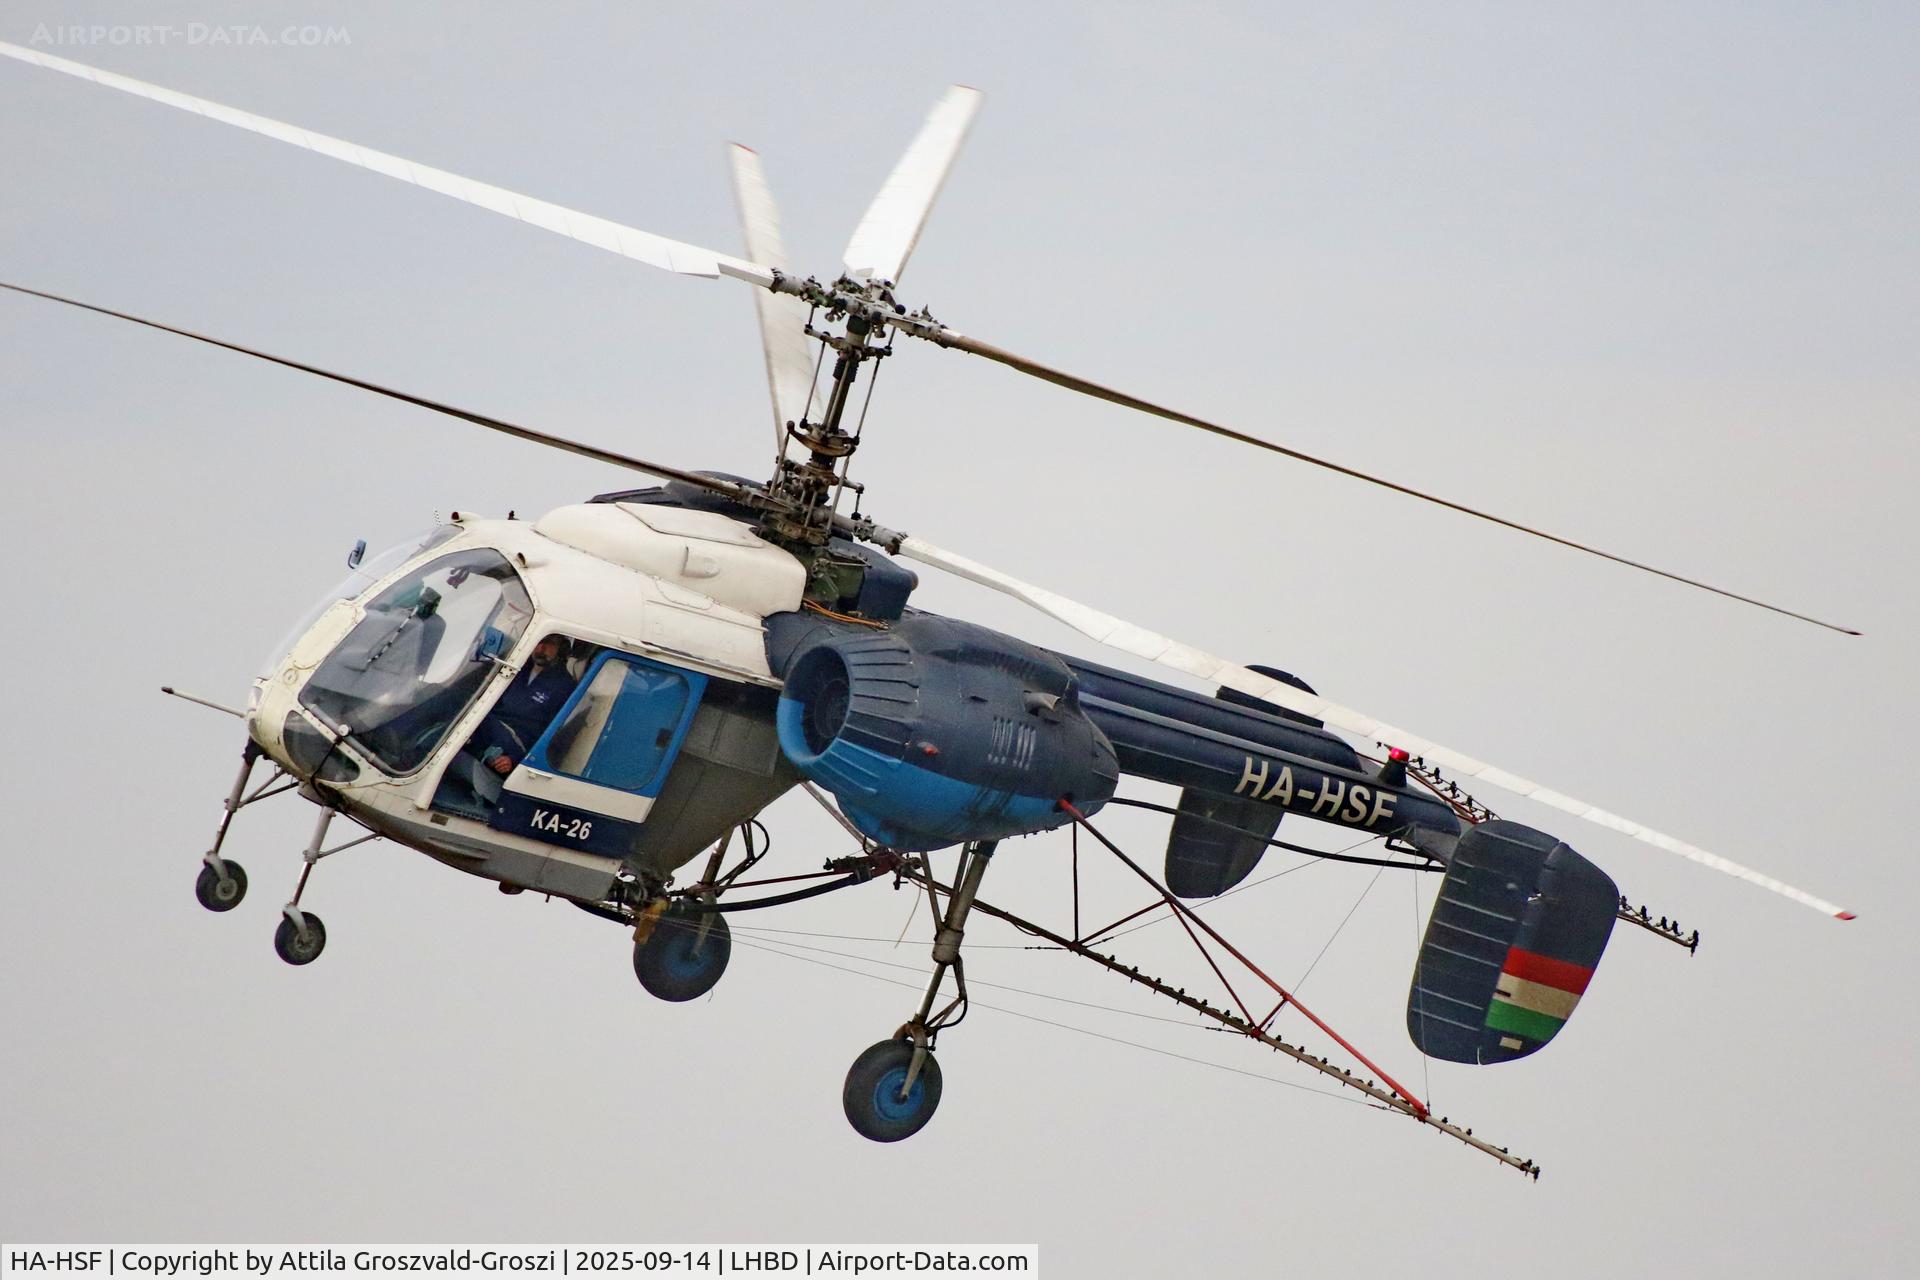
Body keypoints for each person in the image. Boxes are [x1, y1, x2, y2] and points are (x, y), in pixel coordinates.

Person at [464, 634, 578, 797]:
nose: (541, 648)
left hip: (517, 743)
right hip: (488, 729)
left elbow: (551, 735)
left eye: (549, 644)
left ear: (562, 650)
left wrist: (515, 758)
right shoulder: (515, 668)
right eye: (538, 642)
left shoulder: (565, 686)